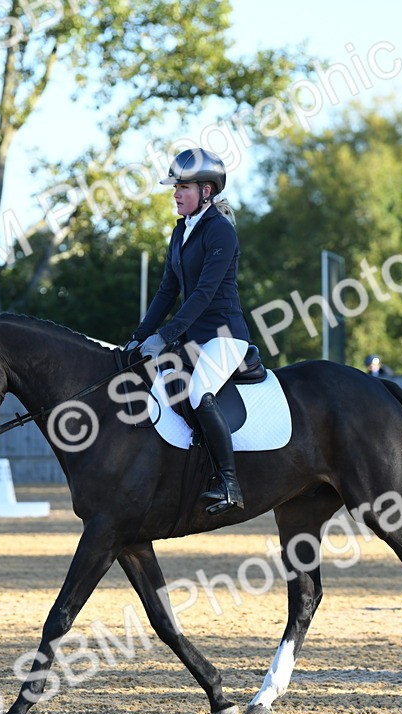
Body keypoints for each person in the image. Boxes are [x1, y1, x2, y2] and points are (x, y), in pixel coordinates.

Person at [125, 148, 250, 515]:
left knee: (199, 391)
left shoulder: (220, 232)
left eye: (183, 187)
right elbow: (167, 291)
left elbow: (202, 295)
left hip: (226, 336)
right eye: (174, 187)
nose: (175, 193)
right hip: (193, 339)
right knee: (161, 385)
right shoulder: (181, 231)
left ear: (206, 191)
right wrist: (140, 334)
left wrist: (164, 336)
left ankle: (229, 483)